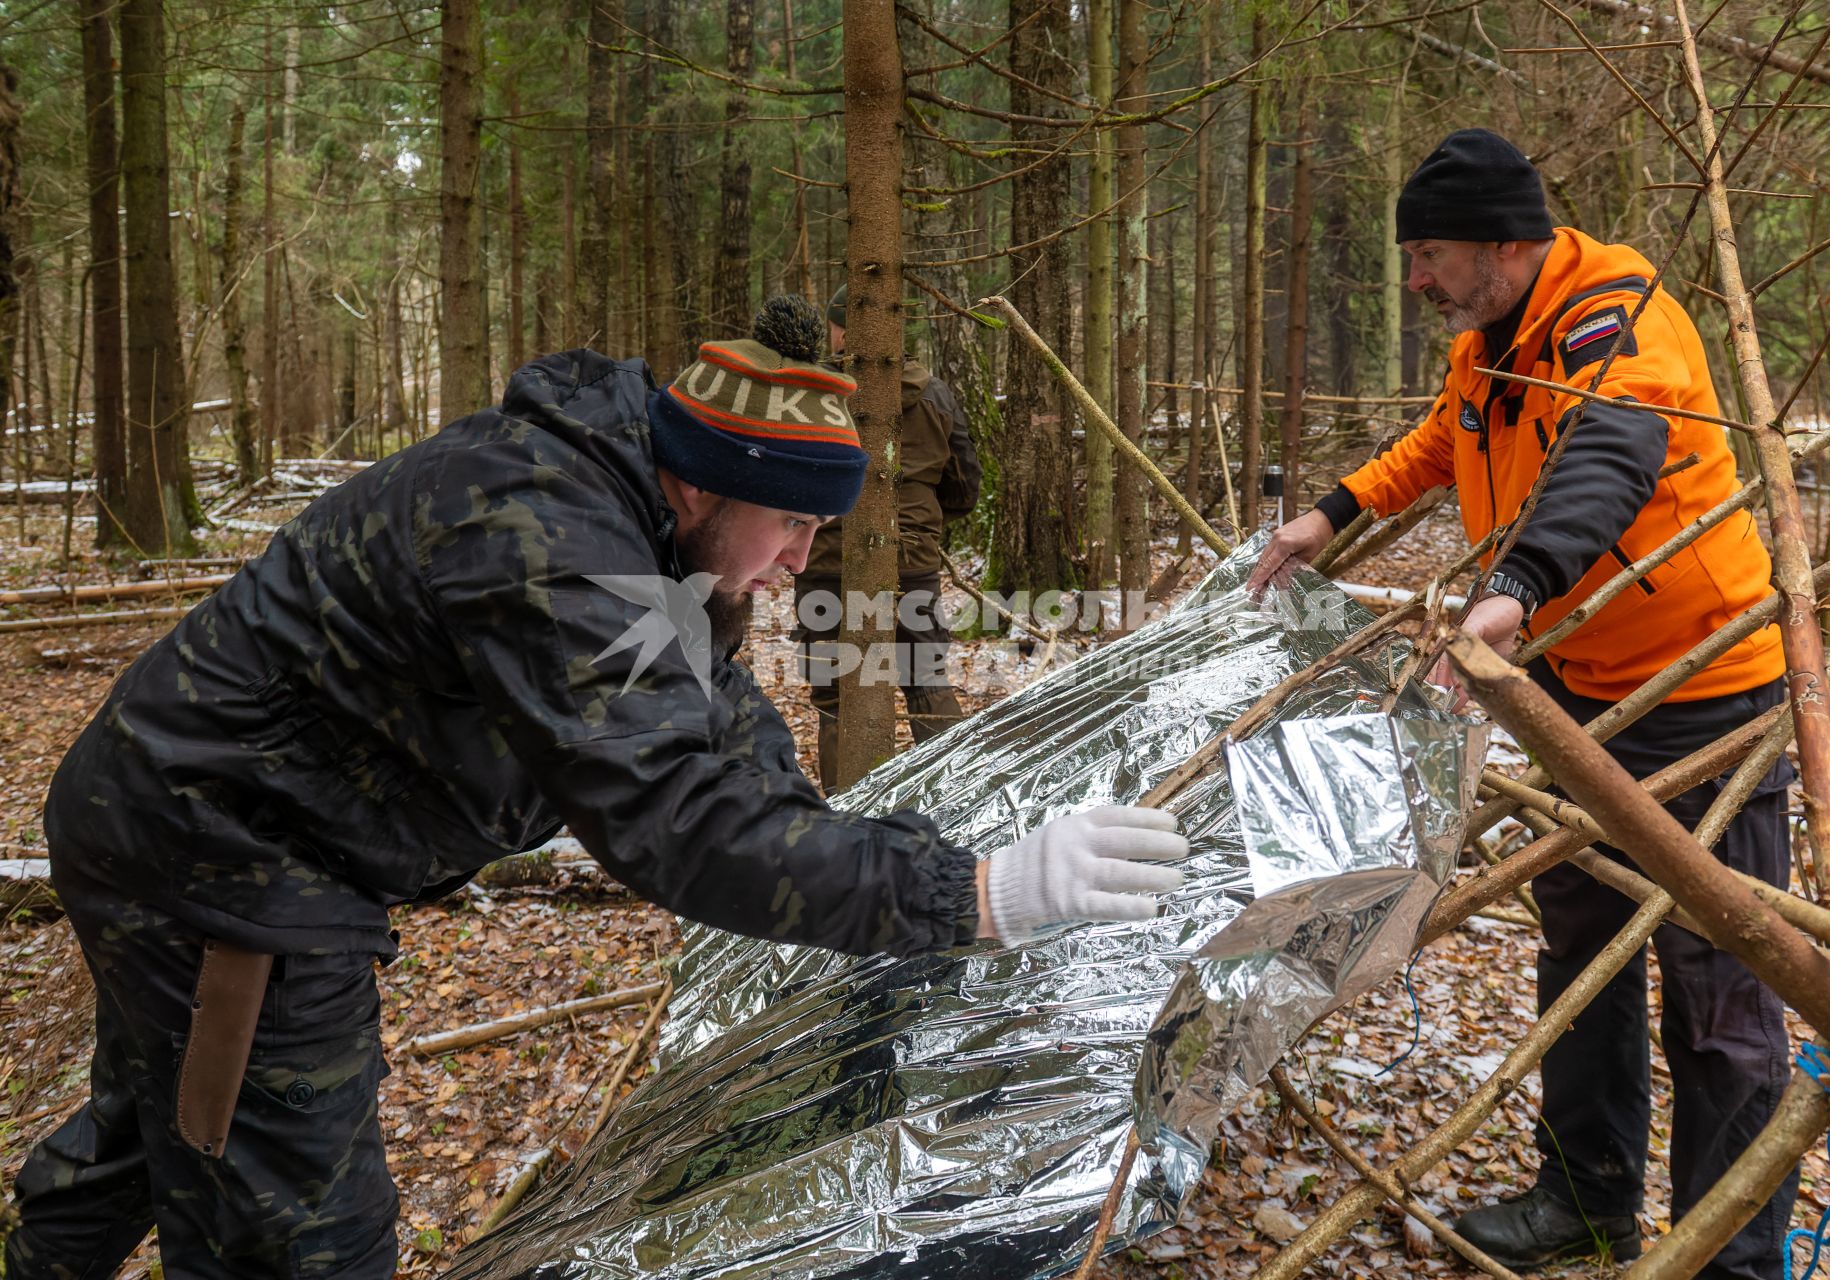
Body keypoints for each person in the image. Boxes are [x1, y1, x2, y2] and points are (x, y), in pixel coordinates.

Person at [3, 297, 1185, 1278]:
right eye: (790, 523)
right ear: (712, 483)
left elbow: (723, 722)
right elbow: (671, 819)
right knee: (295, 1229)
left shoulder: (648, 525)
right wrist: (976, 890)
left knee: (154, 1135)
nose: (799, 561)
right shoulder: (545, 531)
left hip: (208, 824)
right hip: (222, 853)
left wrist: (854, 852)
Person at [1250, 130, 1792, 1278]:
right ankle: (1586, 1201)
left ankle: (1730, 1257)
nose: (1416, 279)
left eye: (1432, 254)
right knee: (1581, 947)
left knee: (1719, 989)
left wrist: (1515, 587)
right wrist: (1332, 513)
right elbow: (1445, 444)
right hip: (1576, 685)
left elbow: (1609, 457)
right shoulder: (1489, 341)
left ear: (1506, 243)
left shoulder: (1614, 316)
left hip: (1699, 691)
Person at [792, 284, 981, 791]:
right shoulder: (934, 393)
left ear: (838, 329)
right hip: (910, 560)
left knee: (836, 699)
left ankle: (850, 818)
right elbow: (964, 484)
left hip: (823, 562)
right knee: (925, 683)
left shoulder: (808, 393)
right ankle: (961, 798)